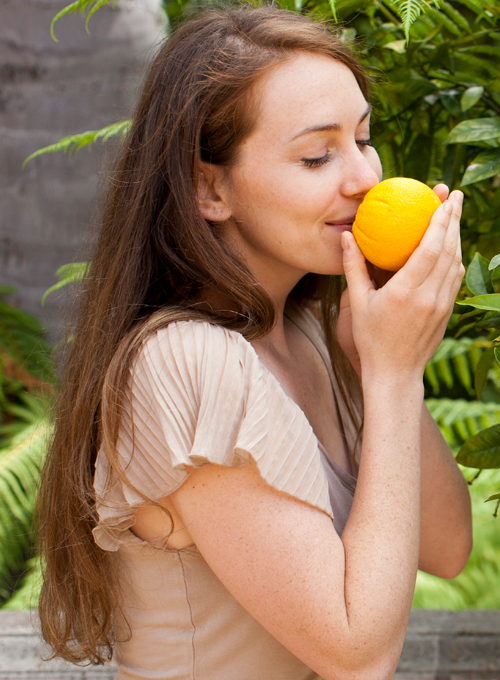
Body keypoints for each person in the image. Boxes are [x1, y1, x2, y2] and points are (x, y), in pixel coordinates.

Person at [35, 6, 472, 679]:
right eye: (317, 155)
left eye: (363, 138)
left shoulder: (308, 335)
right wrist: (393, 375)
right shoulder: (185, 362)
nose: (363, 178)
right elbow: (358, 654)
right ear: (211, 187)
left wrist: (376, 360)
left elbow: (447, 547)